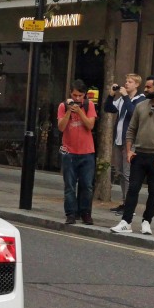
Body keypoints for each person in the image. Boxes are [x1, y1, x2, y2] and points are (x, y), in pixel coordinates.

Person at [112, 76, 154, 236]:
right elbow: (131, 130)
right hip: (139, 154)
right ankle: (126, 222)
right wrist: (129, 150)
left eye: (149, 87)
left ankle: (146, 221)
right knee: (133, 188)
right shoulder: (140, 106)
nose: (145, 89)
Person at [57, 79, 97, 225]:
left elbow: (90, 125)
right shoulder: (62, 106)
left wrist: (80, 111)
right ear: (70, 94)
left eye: (80, 96)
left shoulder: (89, 105)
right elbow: (61, 127)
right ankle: (71, 214)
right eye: (75, 95)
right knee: (69, 185)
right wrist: (68, 111)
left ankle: (85, 212)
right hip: (69, 152)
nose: (77, 99)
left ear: (84, 95)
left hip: (87, 152)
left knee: (87, 185)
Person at [103, 73, 145, 214]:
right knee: (121, 173)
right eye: (126, 81)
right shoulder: (122, 99)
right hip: (119, 140)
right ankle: (124, 202)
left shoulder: (140, 99)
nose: (126, 84)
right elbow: (108, 108)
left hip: (131, 142)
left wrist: (126, 97)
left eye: (130, 82)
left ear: (137, 85)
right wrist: (111, 95)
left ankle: (130, 206)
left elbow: (134, 113)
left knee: (128, 174)